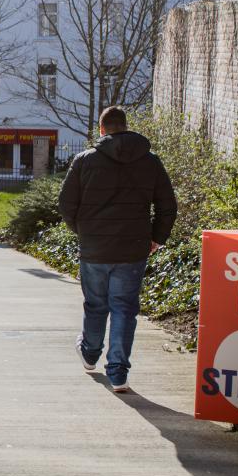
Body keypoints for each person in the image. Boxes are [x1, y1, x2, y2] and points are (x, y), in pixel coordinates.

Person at [58, 106, 177, 394]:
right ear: (125, 127)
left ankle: (89, 353)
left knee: (96, 304)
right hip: (133, 247)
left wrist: (83, 231)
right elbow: (167, 205)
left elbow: (65, 203)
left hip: (95, 247)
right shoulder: (150, 162)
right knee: (124, 308)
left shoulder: (84, 161)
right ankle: (118, 372)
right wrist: (156, 238)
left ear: (101, 130)